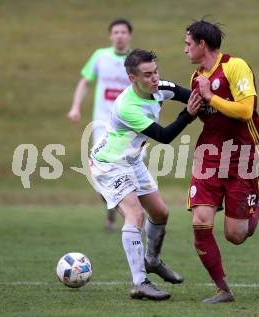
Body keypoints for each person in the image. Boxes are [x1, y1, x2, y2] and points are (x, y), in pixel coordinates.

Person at [90, 49, 202, 300]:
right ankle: (140, 282)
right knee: (135, 214)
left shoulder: (159, 87)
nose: (155, 79)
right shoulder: (127, 106)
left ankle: (152, 260)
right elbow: (164, 136)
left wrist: (212, 100)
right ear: (132, 78)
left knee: (161, 213)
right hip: (109, 164)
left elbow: (192, 96)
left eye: (155, 72)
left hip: (132, 161)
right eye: (147, 75)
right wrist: (189, 115)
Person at [184, 19, 259, 304]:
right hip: (210, 156)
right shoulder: (196, 78)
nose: (184, 49)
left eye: (188, 44)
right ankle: (223, 289)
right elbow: (209, 118)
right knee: (201, 222)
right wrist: (192, 111)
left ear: (202, 44)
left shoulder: (235, 66)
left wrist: (210, 96)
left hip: (243, 156)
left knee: (236, 235)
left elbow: (245, 110)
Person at [68, 18, 133, 230]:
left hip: (128, 127)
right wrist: (76, 106)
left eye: (123, 32)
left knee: (128, 173)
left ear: (129, 36)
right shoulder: (100, 56)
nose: (120, 35)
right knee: (100, 174)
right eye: (116, 32)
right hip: (102, 126)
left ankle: (130, 218)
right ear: (110, 36)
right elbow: (85, 82)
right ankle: (112, 211)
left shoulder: (135, 61)